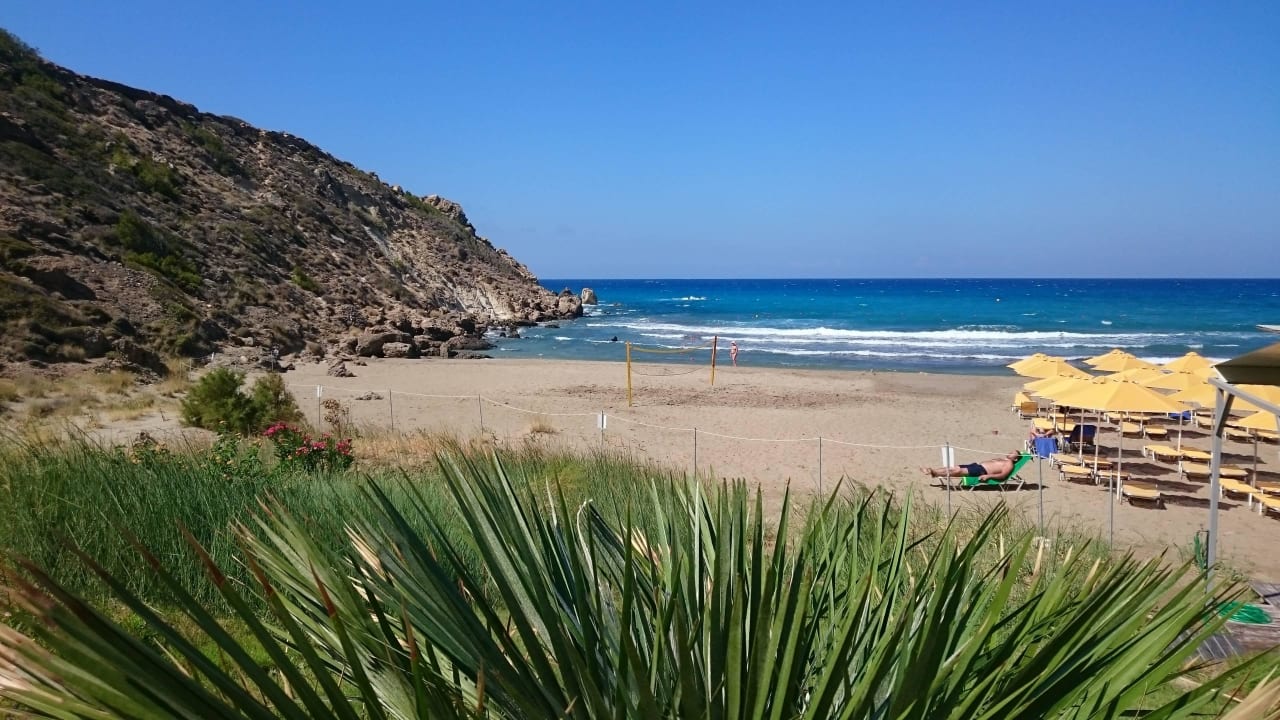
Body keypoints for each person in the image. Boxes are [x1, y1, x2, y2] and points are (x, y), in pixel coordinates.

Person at [920, 452, 1022, 481]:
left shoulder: (1009, 464)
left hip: (982, 471)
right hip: (977, 465)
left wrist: (988, 476)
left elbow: (1003, 475)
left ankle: (934, 472)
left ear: (1015, 459)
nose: (1010, 452)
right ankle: (933, 471)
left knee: (958, 470)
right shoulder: (1004, 459)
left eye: (1013, 453)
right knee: (954, 467)